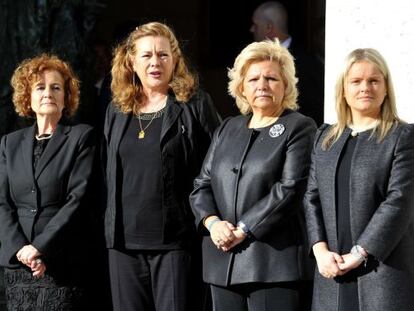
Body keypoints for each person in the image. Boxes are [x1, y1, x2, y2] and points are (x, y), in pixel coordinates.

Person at [102, 21, 221, 311]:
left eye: (163, 54)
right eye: (146, 55)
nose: (155, 62)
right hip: (123, 243)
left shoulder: (194, 104)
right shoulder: (117, 109)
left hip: (175, 242)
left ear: (175, 60)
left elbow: (218, 164)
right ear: (131, 61)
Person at [190, 39, 316, 311]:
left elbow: (290, 189)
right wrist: (213, 224)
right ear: (241, 87)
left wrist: (244, 229)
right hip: (222, 263)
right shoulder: (227, 128)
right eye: (254, 79)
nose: (262, 85)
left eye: (271, 78)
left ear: (286, 85)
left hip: (272, 265)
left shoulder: (300, 127)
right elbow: (201, 185)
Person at [304, 48, 414, 311]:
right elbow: (311, 198)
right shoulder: (325, 138)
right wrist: (319, 251)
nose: (365, 87)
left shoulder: (402, 136)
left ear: (386, 88)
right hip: (331, 274)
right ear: (343, 89)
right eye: (356, 81)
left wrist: (359, 253)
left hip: (382, 274)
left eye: (374, 81)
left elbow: (399, 201)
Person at [0, 54, 95, 310]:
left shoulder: (81, 137)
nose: (48, 93)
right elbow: (2, 203)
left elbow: (79, 200)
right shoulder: (10, 143)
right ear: (27, 97)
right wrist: (21, 249)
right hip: (19, 265)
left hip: (62, 263)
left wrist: (40, 248)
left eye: (56, 87)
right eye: (40, 87)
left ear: (67, 97)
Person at [250, 1, 324, 125]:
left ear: (269, 27)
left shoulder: (307, 64)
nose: (252, 29)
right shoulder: (252, 60)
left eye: (255, 25)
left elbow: (313, 109)